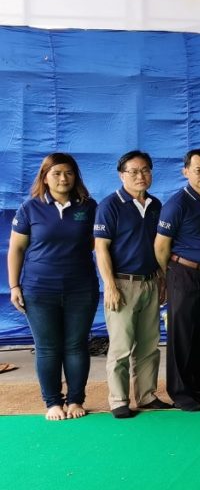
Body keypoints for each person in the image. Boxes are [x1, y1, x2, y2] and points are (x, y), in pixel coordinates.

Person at [8, 153, 99, 420]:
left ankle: (75, 400)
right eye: (56, 173)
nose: (63, 178)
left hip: (81, 289)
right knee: (48, 347)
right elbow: (16, 249)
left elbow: (96, 244)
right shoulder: (29, 208)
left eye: (68, 173)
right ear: (45, 177)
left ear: (75, 177)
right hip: (38, 290)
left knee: (76, 345)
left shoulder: (89, 207)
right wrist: (14, 286)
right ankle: (53, 403)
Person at [94, 150, 173, 418]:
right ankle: (118, 400)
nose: (141, 176)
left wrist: (162, 279)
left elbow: (160, 247)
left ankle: (147, 395)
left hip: (151, 282)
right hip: (122, 284)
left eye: (145, 170)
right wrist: (110, 286)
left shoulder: (155, 205)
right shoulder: (110, 206)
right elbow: (101, 249)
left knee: (149, 344)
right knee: (121, 346)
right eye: (134, 171)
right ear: (121, 175)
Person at [155, 149, 200, 412]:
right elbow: (161, 246)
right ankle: (180, 393)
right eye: (198, 170)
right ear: (185, 171)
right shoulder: (177, 204)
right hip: (182, 274)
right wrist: (167, 277)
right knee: (183, 336)